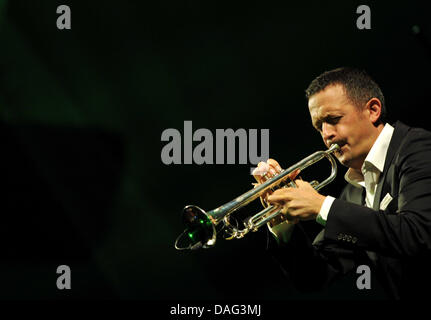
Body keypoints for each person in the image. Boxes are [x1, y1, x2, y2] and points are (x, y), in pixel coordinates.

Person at [252, 67, 431, 300]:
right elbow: (314, 278)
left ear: (373, 110)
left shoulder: (419, 148)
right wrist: (284, 227)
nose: (327, 134)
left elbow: (418, 235)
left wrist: (321, 206)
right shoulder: (352, 194)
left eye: (333, 120)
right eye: (319, 127)